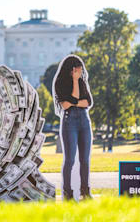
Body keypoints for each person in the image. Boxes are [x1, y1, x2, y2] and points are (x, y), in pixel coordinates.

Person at [53, 54, 93, 200]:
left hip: (84, 120)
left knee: (85, 159)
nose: (80, 73)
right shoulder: (60, 83)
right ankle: (67, 192)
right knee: (69, 159)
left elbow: (88, 102)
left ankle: (85, 191)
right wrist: (75, 82)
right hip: (70, 122)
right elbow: (65, 104)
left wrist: (73, 102)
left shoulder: (82, 82)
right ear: (71, 70)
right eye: (78, 71)